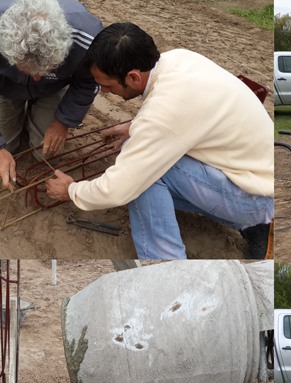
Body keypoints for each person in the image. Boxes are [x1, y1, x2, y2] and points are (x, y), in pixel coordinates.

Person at [42, 23, 275, 259]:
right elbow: (185, 115)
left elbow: (119, 187)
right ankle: (256, 225)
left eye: (107, 85)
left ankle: (167, 263)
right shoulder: (179, 58)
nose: (103, 92)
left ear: (133, 77)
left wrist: (72, 190)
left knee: (143, 177)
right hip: (260, 178)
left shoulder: (161, 114)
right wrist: (135, 127)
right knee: (141, 157)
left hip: (255, 199)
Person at [0, 0, 102, 189]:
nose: (37, 77)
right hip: (5, 86)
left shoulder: (87, 38)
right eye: (29, 70)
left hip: (54, 87)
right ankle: (19, 114)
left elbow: (89, 81)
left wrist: (63, 121)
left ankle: (38, 112)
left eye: (46, 68)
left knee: (45, 154)